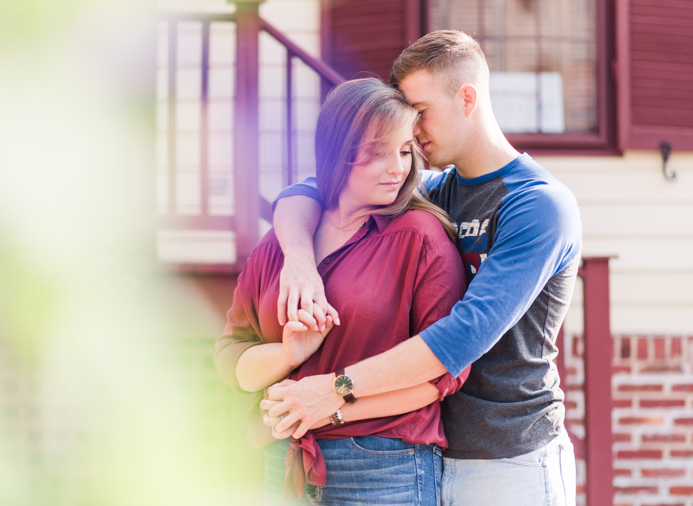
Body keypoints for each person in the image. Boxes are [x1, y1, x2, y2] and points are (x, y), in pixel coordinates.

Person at [264, 30, 582, 506]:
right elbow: (309, 193)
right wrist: (300, 263)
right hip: (429, 456)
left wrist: (337, 390)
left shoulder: (539, 205)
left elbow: (463, 335)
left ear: (467, 98)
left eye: (420, 112)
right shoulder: (434, 193)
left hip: (511, 460)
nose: (410, 132)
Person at [214, 78, 468, 505]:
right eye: (376, 153)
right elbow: (231, 359)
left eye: (405, 151)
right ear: (337, 153)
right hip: (284, 462)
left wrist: (331, 407)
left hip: (383, 465)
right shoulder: (280, 244)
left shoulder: (421, 238)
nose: (397, 168)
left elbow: (443, 376)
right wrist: (287, 356)